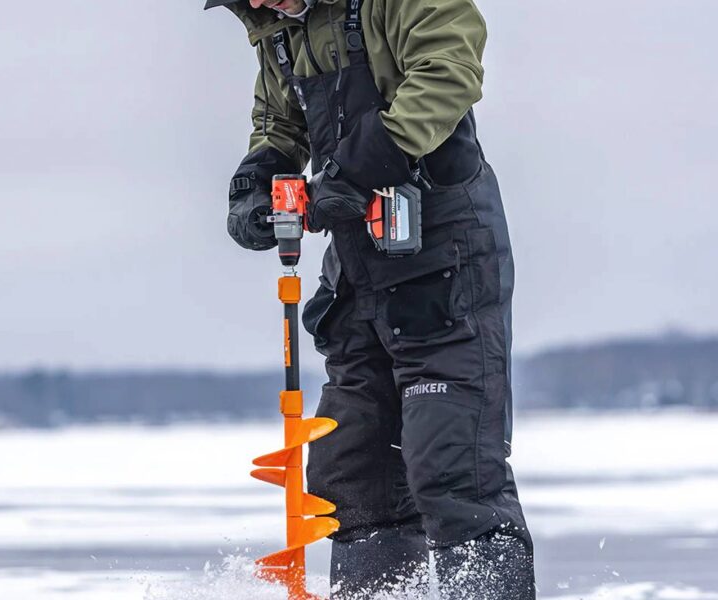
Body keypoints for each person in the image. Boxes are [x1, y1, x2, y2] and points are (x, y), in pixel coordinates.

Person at [206, 0, 536, 597]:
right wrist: (259, 175)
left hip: (445, 254)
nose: (255, 4)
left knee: (452, 470)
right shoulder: (280, 28)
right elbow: (281, 121)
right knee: (351, 469)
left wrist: (358, 169)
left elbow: (449, 68)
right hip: (357, 269)